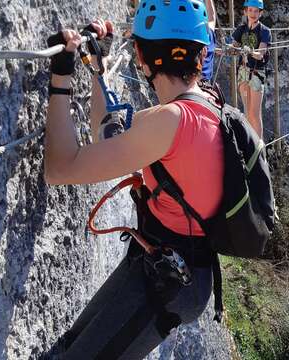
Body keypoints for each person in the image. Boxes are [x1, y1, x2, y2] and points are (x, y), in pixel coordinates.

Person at [43, 0, 223, 357]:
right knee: (69, 347)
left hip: (169, 280)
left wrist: (60, 80)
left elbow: (59, 169)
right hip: (169, 266)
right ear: (200, 56)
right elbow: (109, 141)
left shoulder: (168, 122)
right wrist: (98, 68)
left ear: (140, 55)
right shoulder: (206, 105)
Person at [231, 0, 271, 138]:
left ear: (261, 13)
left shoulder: (265, 31)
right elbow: (234, 48)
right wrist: (225, 49)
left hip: (256, 73)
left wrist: (248, 51)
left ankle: (258, 145)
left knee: (255, 113)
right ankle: (250, 143)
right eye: (250, 10)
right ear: (245, 11)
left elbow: (260, 55)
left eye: (256, 11)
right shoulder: (241, 30)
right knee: (247, 112)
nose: (253, 14)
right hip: (243, 72)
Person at [202, 0, 217, 81]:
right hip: (202, 86)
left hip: (174, 88)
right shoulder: (207, 34)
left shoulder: (168, 36)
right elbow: (211, 18)